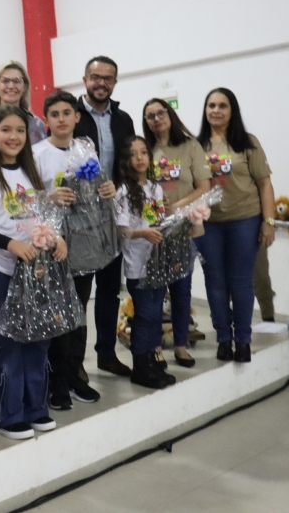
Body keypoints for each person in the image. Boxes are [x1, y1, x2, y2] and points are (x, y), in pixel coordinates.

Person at [0, 105, 66, 439]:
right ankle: (4, 415)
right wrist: (10, 245)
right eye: (5, 130)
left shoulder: (29, 171)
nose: (13, 137)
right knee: (4, 346)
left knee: (37, 341)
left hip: (34, 271)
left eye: (19, 131)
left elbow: (38, 215)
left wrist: (55, 236)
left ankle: (35, 408)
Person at [33, 90, 114, 410]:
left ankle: (76, 375)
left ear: (77, 117)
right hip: (52, 244)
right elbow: (26, 197)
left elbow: (97, 189)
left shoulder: (86, 149)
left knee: (78, 312)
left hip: (84, 241)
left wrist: (107, 188)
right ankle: (56, 384)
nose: (62, 119)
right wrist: (48, 197)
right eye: (55, 114)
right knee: (57, 313)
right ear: (46, 120)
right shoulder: (37, 154)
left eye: (68, 113)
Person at [194, 88, 276, 363]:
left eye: (222, 106)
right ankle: (223, 339)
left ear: (232, 110)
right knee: (215, 281)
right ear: (205, 111)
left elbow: (265, 184)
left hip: (245, 220)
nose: (216, 110)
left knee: (241, 282)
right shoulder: (196, 146)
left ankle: (243, 339)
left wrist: (269, 222)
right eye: (211, 105)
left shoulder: (247, 143)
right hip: (209, 225)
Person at [72, 56, 135, 379]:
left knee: (110, 291)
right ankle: (76, 364)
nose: (102, 83)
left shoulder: (123, 120)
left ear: (115, 82)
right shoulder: (72, 116)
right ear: (85, 80)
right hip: (80, 221)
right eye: (96, 77)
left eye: (108, 78)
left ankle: (107, 354)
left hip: (114, 218)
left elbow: (129, 164)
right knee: (80, 293)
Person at [142, 98, 212, 368]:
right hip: (155, 231)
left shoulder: (189, 146)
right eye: (150, 116)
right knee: (156, 292)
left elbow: (204, 185)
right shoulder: (145, 149)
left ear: (170, 115)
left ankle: (181, 345)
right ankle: (156, 347)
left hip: (186, 227)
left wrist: (178, 207)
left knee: (182, 289)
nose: (157, 118)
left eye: (161, 113)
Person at [114, 136, 177, 389]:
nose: (140, 158)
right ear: (126, 160)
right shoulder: (124, 191)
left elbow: (156, 221)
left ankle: (152, 359)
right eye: (134, 154)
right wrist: (144, 233)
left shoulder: (156, 188)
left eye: (144, 153)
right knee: (145, 315)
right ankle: (140, 365)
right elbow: (122, 230)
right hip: (137, 265)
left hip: (157, 262)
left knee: (155, 315)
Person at [0, 61, 48, 145]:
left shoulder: (36, 125)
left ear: (25, 86)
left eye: (16, 81)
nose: (11, 86)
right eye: (5, 81)